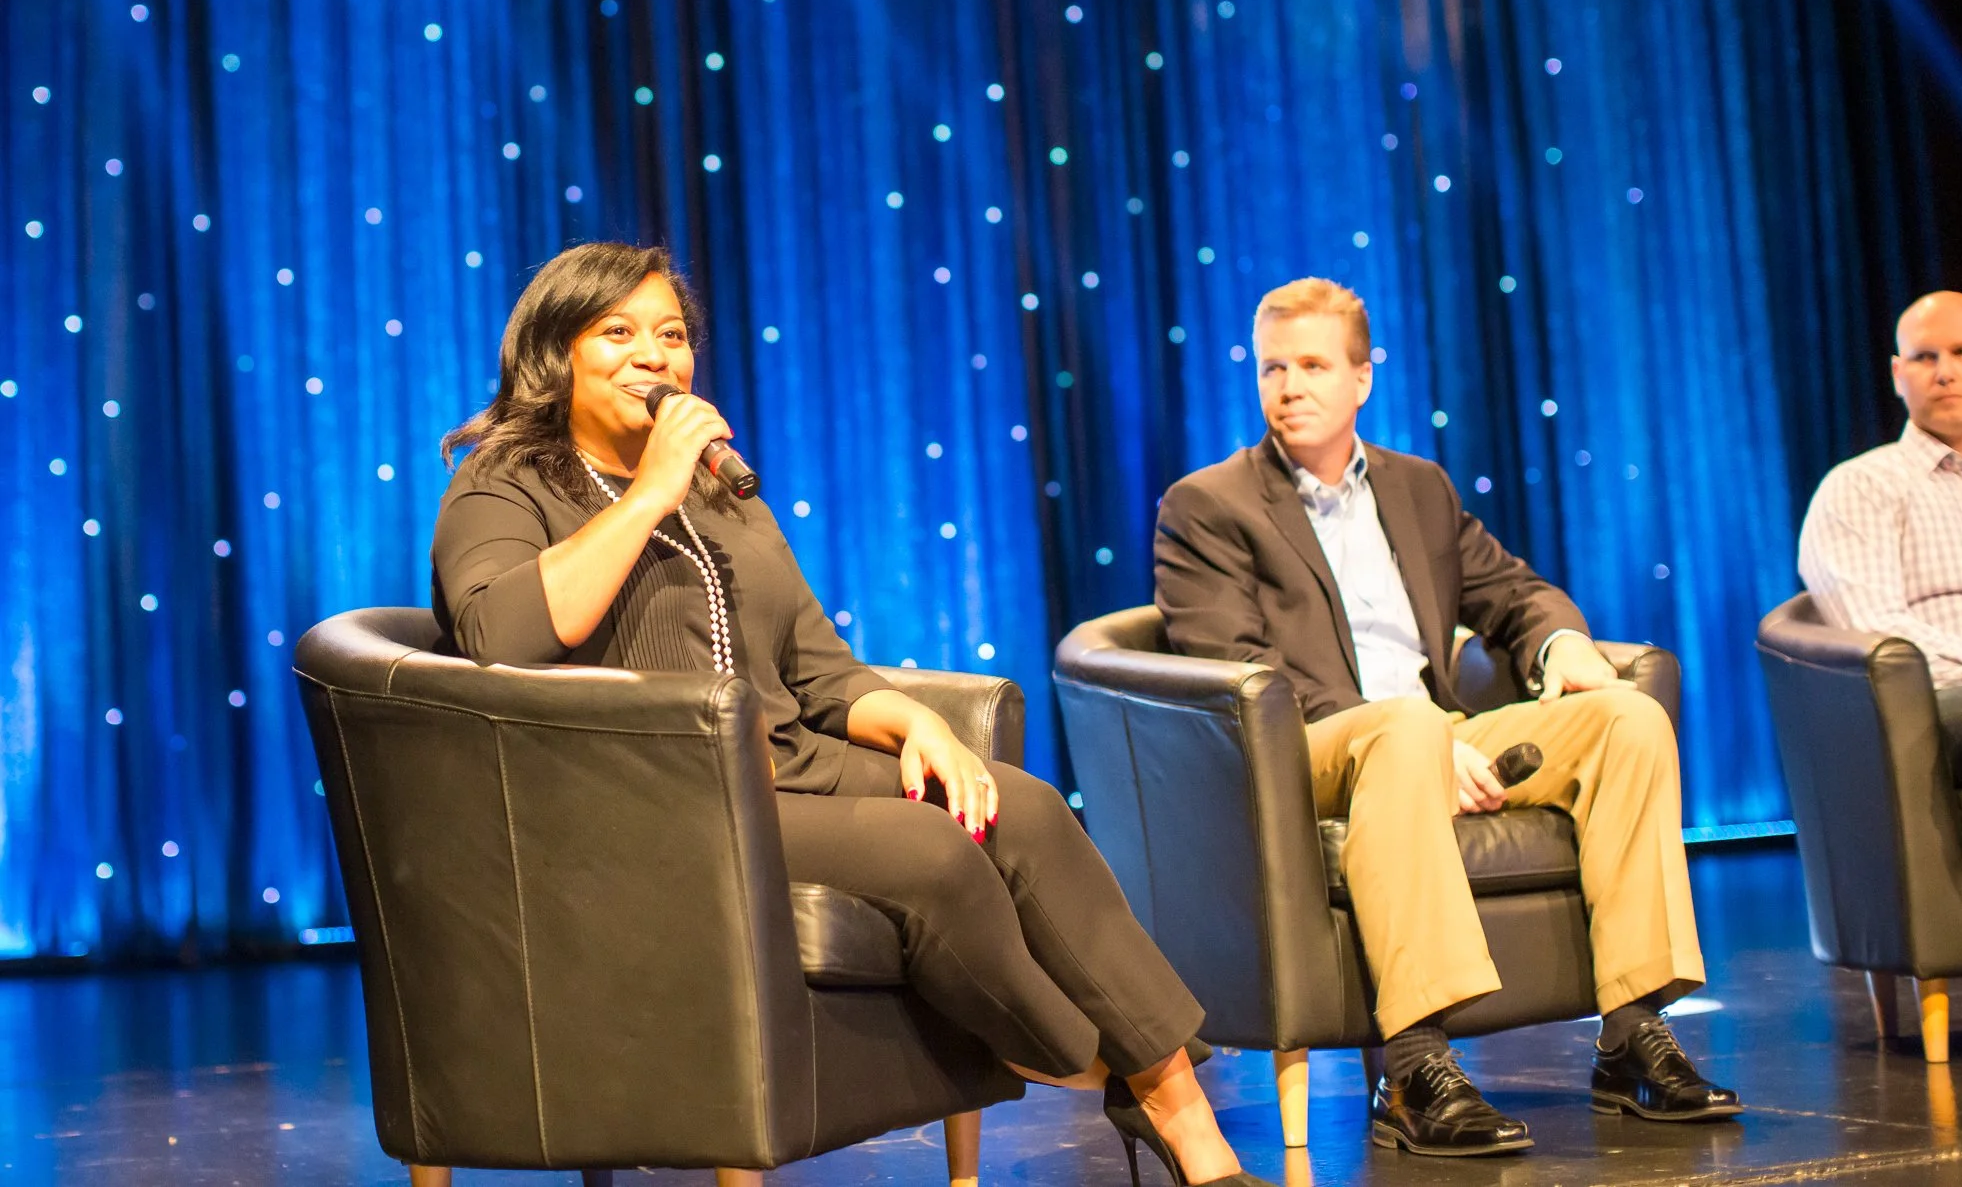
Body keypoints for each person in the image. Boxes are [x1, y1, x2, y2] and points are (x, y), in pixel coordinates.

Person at [431, 242, 1271, 1187]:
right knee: (933, 852)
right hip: (656, 802)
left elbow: (819, 666)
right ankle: (1092, 1058)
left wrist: (917, 724)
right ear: (556, 351)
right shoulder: (501, 482)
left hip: (787, 769)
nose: (654, 356)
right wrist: (651, 491)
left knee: (1022, 808)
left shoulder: (720, 489)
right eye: (617, 332)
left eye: (671, 335)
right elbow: (501, 636)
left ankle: (1188, 1123)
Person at [1153, 278, 1740, 1158]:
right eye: (1273, 367)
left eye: (1312, 365)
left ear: (1362, 377)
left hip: (1428, 730)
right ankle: (1414, 1064)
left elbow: (1512, 590)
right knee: (1408, 727)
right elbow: (1235, 668)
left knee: (1626, 719)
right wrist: (1413, 736)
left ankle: (1631, 1032)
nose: (1289, 386)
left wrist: (1561, 645)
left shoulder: (1417, 486)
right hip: (1302, 750)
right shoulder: (1208, 504)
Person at [1799, 290, 1962, 871]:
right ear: (1897, 374)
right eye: (1924, 357)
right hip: (1942, 699)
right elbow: (1875, 626)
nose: (1944, 372)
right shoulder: (1862, 485)